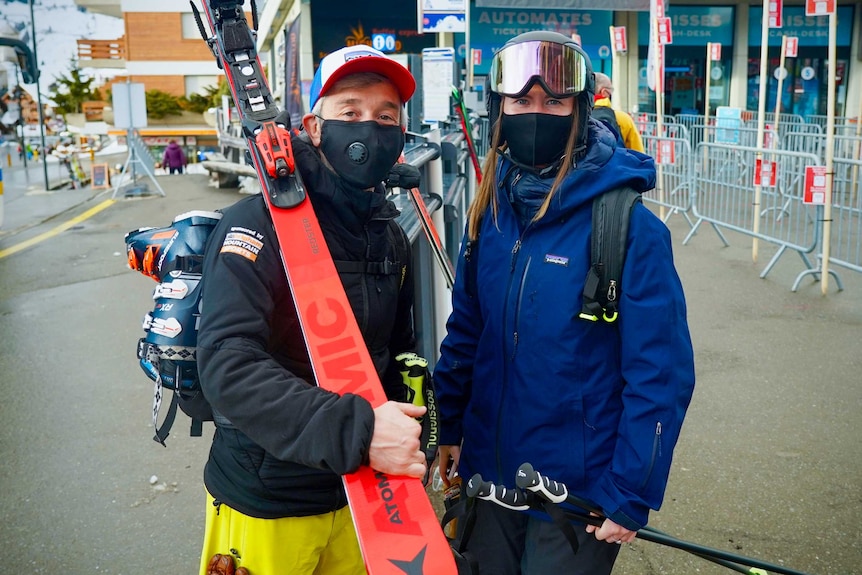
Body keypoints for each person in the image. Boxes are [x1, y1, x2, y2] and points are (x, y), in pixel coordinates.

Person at [433, 31, 695, 575]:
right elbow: (466, 330)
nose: (536, 113)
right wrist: (449, 426)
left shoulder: (628, 227)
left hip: (577, 495)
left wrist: (631, 489)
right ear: (499, 109)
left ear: (577, 110)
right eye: (521, 101)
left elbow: (660, 373)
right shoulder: (491, 213)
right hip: (488, 473)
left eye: (553, 102)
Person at [196, 45, 426, 575]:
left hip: (366, 496)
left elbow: (396, 351)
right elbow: (228, 365)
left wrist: (422, 428)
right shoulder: (257, 225)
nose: (368, 129)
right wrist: (361, 432)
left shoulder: (389, 235)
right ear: (314, 127)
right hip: (268, 498)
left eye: (385, 117)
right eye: (350, 112)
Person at [593, 72, 645, 153]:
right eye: (611, 90)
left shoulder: (576, 115)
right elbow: (638, 154)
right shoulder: (622, 119)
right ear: (604, 92)